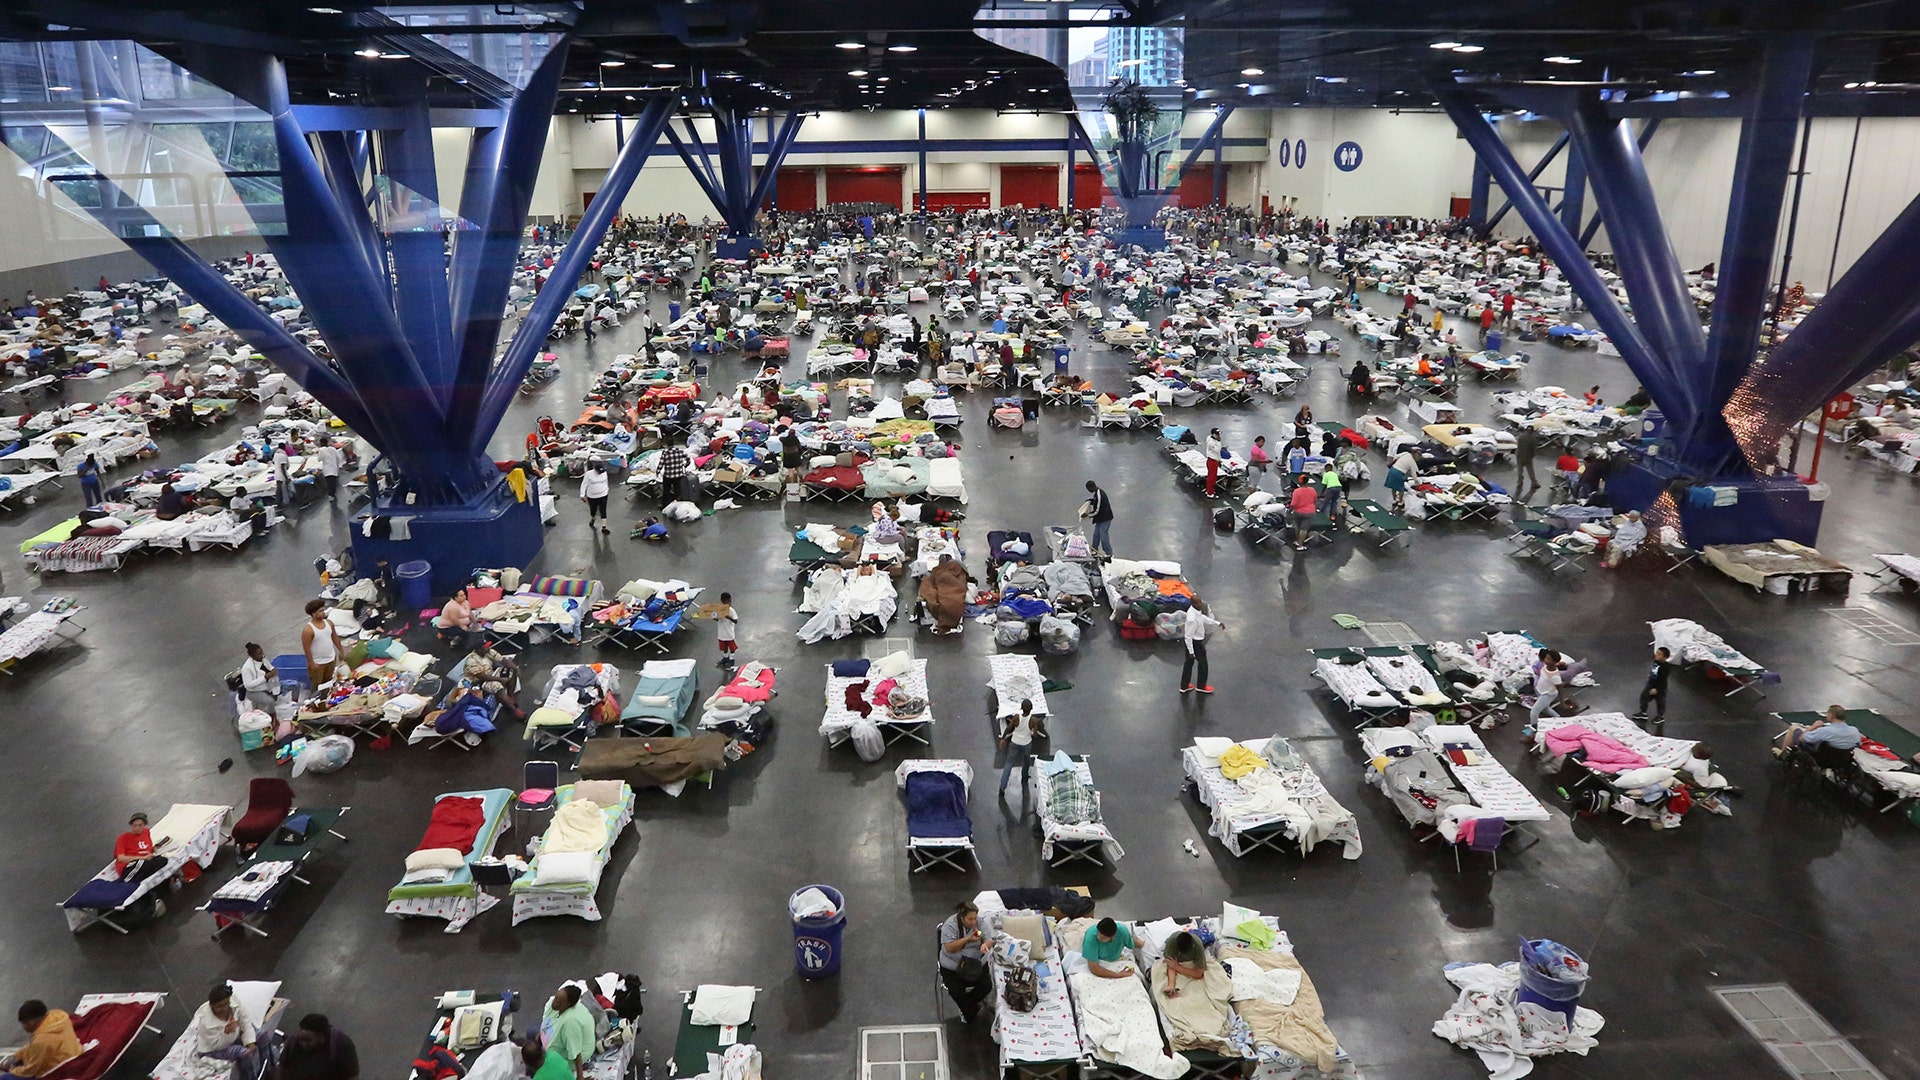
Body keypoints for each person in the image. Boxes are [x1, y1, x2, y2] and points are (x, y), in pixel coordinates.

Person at [937, 901, 990, 1023]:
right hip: (953, 966)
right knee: (956, 990)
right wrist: (968, 939)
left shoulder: (979, 923)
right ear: (962, 917)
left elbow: (988, 938)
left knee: (986, 986)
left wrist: (985, 944)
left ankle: (967, 1006)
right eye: (970, 919)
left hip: (975, 963)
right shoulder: (950, 925)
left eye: (975, 918)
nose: (973, 922)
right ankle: (970, 1011)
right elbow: (949, 948)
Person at [190, 984, 259, 1077]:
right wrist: (227, 1033)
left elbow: (245, 1021)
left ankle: (267, 1063)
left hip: (234, 1035)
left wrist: (250, 1043)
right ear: (212, 1005)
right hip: (212, 1050)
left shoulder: (234, 1000)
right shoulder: (206, 1022)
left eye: (226, 1004)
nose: (224, 1009)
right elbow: (217, 1046)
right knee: (243, 1053)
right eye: (219, 1007)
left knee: (261, 1036)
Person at [1, 1002, 81, 1079]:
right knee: (19, 1061)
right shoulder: (58, 1015)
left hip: (58, 1067)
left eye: (24, 1023)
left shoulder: (41, 1040)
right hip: (72, 1053)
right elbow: (33, 1047)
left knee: (5, 1078)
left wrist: (13, 1070)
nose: (23, 1027)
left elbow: (31, 1070)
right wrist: (17, 1056)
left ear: (29, 1022)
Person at [1781, 705, 1864, 771]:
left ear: (1831, 715)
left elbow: (1802, 738)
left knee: (1794, 728)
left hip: (1822, 759)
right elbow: (1858, 744)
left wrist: (1813, 727)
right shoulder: (1855, 731)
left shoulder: (1825, 730)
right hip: (1843, 760)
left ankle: (1783, 755)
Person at [279, 1014, 359, 1080]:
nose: (303, 1044)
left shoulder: (341, 1045)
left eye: (308, 1040)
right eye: (301, 1039)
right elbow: (283, 1069)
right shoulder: (293, 1044)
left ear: (321, 1037)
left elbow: (352, 1075)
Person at [540, 986, 594, 1080]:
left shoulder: (570, 1022)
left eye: (559, 1002)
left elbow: (576, 1054)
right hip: (554, 1045)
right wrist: (541, 1035)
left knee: (533, 1068)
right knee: (531, 1034)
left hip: (568, 1057)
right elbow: (547, 1021)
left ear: (569, 1004)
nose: (554, 1002)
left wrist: (579, 1077)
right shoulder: (554, 1004)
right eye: (556, 997)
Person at [998, 698, 1042, 798]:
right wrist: (1032, 732)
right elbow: (1035, 735)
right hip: (1026, 744)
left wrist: (1003, 738)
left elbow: (1009, 728)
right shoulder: (1034, 720)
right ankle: (1024, 777)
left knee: (1009, 764)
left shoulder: (1016, 718)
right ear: (1031, 709)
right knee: (1026, 761)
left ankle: (1002, 787)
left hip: (1014, 742)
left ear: (1021, 708)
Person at [1181, 601, 1222, 694]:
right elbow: (1188, 636)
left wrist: (1217, 623)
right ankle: (1201, 686)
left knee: (1188, 664)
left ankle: (1184, 686)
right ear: (1193, 604)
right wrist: (1191, 651)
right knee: (1203, 665)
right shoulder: (1192, 619)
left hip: (1192, 644)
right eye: (1198, 603)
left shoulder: (1194, 611)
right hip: (1196, 644)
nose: (1201, 605)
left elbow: (1202, 618)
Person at [301, 598, 342, 690]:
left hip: (331, 659)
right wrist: (311, 663)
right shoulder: (308, 630)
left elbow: (335, 637)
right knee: (317, 687)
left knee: (328, 684)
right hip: (318, 663)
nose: (323, 612)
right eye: (320, 611)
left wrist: (341, 651)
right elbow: (306, 648)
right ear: (313, 614)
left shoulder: (329, 623)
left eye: (323, 610)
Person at [237, 642, 281, 712]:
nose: (262, 655)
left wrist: (273, 669)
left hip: (267, 686)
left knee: (292, 686)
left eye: (262, 653)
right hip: (254, 691)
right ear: (252, 656)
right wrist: (265, 677)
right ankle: (272, 717)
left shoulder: (263, 659)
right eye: (259, 654)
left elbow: (269, 666)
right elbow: (248, 685)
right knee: (270, 702)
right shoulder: (247, 668)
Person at [1635, 647, 1673, 724]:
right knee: (1644, 697)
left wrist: (1657, 689)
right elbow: (1654, 669)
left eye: (1659, 654)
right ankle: (1643, 713)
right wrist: (1651, 675)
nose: (1656, 655)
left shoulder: (1665, 668)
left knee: (1660, 702)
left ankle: (1660, 716)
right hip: (1650, 684)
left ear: (1665, 658)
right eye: (1656, 653)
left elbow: (1663, 680)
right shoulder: (1656, 661)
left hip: (1660, 688)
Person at [1528, 653, 1564, 726]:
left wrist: (1562, 702)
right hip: (1540, 690)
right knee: (1545, 708)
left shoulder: (1555, 676)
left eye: (1548, 659)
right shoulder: (1545, 666)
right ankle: (1559, 719)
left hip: (1547, 695)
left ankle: (1534, 729)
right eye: (1546, 658)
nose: (1545, 660)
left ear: (1554, 662)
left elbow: (1560, 690)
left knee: (1534, 712)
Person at [436, 587, 476, 652]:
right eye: (461, 596)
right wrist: (462, 626)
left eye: (464, 595)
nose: (464, 597)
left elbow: (470, 613)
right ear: (455, 598)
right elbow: (454, 619)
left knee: (467, 627)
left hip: (458, 622)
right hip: (446, 627)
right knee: (464, 633)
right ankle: (454, 642)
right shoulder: (453, 607)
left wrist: (475, 623)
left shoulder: (465, 602)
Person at [1082, 480, 1114, 557]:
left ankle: (1109, 554)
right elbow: (1096, 502)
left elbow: (1097, 510)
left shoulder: (1099, 494)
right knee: (1096, 535)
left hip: (1105, 519)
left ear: (1091, 487)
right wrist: (1091, 501)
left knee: (1103, 537)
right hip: (1100, 518)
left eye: (1088, 489)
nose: (1088, 491)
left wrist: (1088, 515)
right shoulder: (1097, 493)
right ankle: (1094, 550)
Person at [579, 461, 611, 534]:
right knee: (593, 510)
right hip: (592, 496)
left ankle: (604, 527)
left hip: (603, 494)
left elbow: (606, 481)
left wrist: (607, 489)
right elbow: (584, 484)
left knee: (603, 510)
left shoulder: (604, 473)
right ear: (595, 469)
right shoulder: (588, 474)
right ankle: (593, 518)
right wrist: (582, 495)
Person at [657, 440, 691, 506]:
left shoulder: (665, 453)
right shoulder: (680, 451)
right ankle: (678, 504)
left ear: (666, 444)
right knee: (677, 490)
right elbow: (688, 459)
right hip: (678, 475)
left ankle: (665, 505)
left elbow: (661, 464)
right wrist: (684, 465)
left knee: (666, 491)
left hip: (668, 475)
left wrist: (657, 472)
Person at [1289, 480, 1319, 549]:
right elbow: (1315, 500)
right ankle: (1300, 545)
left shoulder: (1296, 491)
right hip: (1309, 512)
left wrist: (1290, 511)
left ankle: (1297, 541)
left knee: (1297, 526)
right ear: (1307, 482)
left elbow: (1293, 504)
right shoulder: (1312, 490)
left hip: (1298, 512)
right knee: (1304, 529)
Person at [1385, 447, 1416, 513]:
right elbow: (1414, 474)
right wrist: (1417, 482)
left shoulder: (1405, 453)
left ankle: (1394, 500)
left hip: (1393, 469)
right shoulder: (1412, 461)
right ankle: (1400, 501)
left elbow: (1396, 456)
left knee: (1393, 486)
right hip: (1399, 473)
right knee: (1400, 488)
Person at [712, 591, 737, 667]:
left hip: (729, 633)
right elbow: (715, 618)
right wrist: (715, 617)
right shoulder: (719, 610)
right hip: (722, 633)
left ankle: (731, 659)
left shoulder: (732, 611)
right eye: (727, 602)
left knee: (732, 647)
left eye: (730, 602)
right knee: (724, 647)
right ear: (722, 601)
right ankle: (725, 658)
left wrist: (728, 617)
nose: (729, 603)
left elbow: (735, 621)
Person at [1514, 425, 1540, 496]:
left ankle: (1520, 482)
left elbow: (1518, 446)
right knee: (1530, 470)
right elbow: (1534, 450)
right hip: (1528, 457)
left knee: (1520, 470)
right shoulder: (1533, 438)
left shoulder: (1521, 437)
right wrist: (1532, 456)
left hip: (1519, 456)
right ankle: (1534, 482)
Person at [1203, 428, 1224, 498]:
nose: (1218, 436)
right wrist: (1218, 442)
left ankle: (1209, 490)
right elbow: (1217, 450)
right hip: (1212, 461)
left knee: (1211, 476)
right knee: (1212, 478)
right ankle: (1210, 493)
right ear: (1213, 435)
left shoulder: (1211, 438)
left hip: (1214, 460)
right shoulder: (1212, 443)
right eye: (1217, 434)